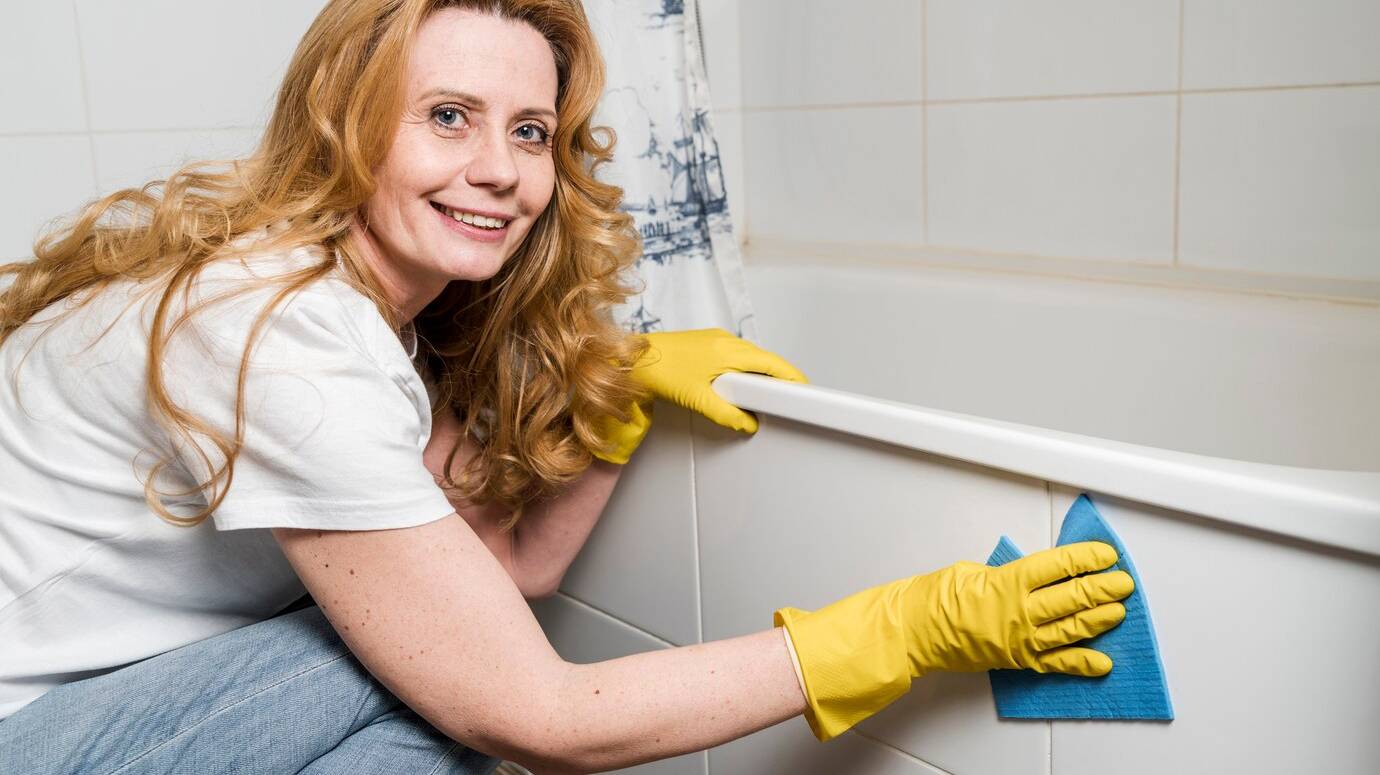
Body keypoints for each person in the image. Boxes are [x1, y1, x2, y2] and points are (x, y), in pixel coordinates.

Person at [0, 1, 1134, 772]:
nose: (500, 167)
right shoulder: (278, 338)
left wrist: (617, 404)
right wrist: (893, 632)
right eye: (449, 116)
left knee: (433, 728)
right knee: (435, 692)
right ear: (345, 124)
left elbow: (485, 575)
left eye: (529, 130)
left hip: (121, 708)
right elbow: (540, 710)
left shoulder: (347, 306)